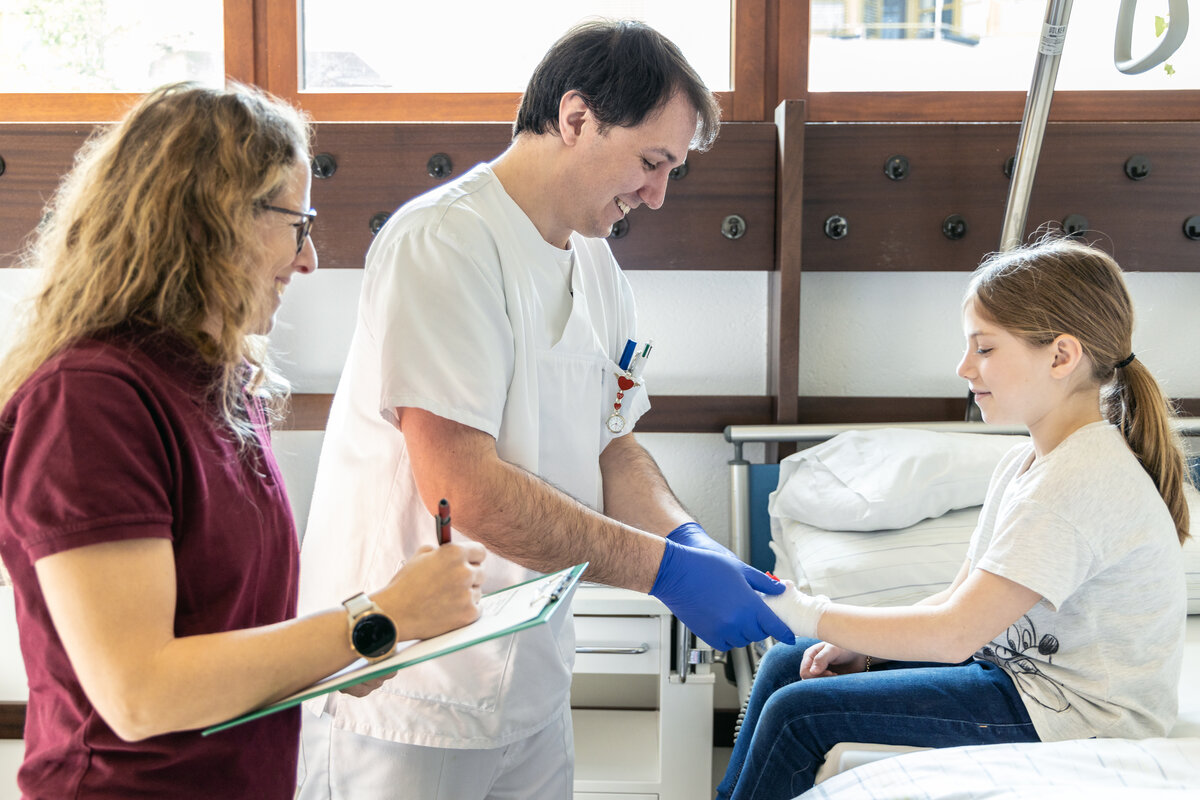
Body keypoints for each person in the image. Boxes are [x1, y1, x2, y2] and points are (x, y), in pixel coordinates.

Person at [296, 18, 793, 800]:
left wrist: (689, 538)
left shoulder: (596, 264)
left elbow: (612, 444)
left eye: (673, 172)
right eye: (651, 161)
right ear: (575, 119)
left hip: (529, 679)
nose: (657, 196)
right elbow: (464, 490)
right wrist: (664, 571)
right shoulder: (445, 244)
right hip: (405, 691)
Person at [0, 82, 486, 800]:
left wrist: (363, 647)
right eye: (299, 222)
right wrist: (375, 616)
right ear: (214, 221)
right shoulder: (90, 400)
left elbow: (224, 632)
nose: (310, 258)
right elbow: (141, 694)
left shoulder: (216, 383)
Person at [716, 236, 1192, 799]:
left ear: (1062, 356)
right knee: (785, 667)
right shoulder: (1025, 463)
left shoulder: (1080, 480)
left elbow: (953, 635)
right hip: (1018, 679)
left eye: (985, 349)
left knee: (800, 714)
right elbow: (953, 603)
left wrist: (804, 610)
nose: (964, 366)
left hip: (1083, 715)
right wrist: (861, 646)